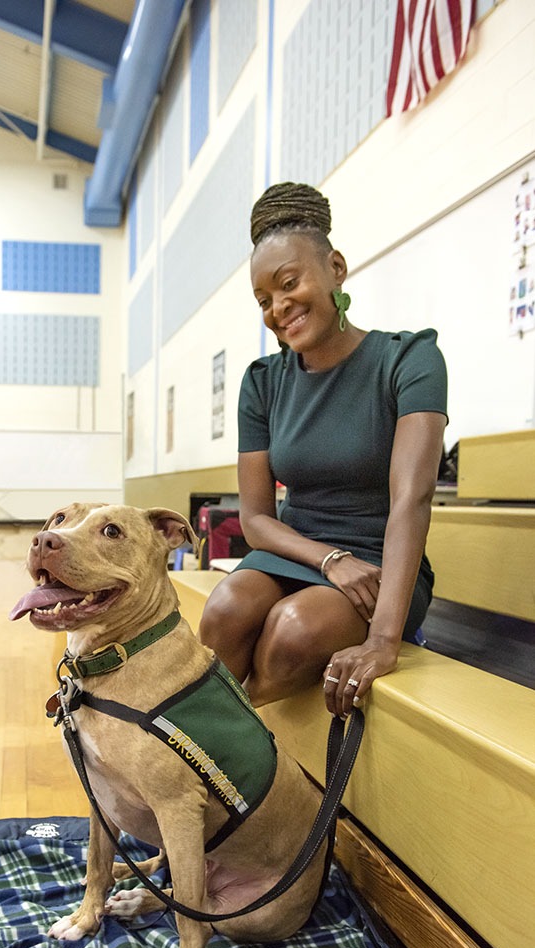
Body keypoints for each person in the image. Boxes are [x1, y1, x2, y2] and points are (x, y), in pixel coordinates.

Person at [198, 182, 448, 719]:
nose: (278, 308)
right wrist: (329, 560)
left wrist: (383, 638)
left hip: (380, 565)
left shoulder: (410, 359)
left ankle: (228, 749)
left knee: (293, 630)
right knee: (224, 610)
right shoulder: (263, 381)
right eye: (264, 300)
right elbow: (257, 519)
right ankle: (217, 755)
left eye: (289, 284)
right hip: (295, 551)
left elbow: (413, 500)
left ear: (335, 267)